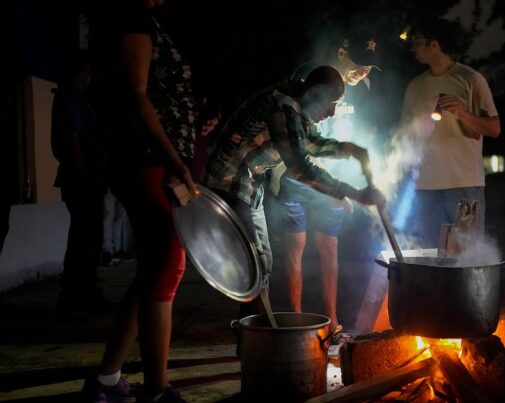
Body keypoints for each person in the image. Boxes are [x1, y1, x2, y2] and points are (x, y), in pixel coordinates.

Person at [81, 0, 198, 401]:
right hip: (144, 158)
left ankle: (106, 381)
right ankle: (157, 392)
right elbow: (135, 94)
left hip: (149, 158)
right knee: (167, 264)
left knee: (152, 271)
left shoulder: (137, 17)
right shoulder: (129, 15)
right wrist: (175, 160)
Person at [201, 65, 384, 321]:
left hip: (249, 186)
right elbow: (302, 167)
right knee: (256, 264)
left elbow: (312, 143)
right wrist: (353, 193)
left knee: (262, 264)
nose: (331, 113)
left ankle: (254, 331)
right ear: (314, 93)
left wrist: (351, 150)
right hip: (230, 183)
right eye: (331, 104)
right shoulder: (282, 105)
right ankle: (255, 332)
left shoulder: (296, 108)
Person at [269, 33, 381, 330]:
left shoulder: (364, 89)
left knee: (329, 246)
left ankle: (333, 323)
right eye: (359, 64)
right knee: (296, 244)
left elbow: (363, 130)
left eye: (368, 69)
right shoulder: (311, 76)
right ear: (343, 54)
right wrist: (338, 190)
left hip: (332, 177)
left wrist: (355, 164)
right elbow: (302, 145)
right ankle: (295, 319)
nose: (363, 73)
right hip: (299, 175)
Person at [401, 18, 501, 247]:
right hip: (425, 188)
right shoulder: (415, 87)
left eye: (417, 42)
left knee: (466, 256)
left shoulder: (471, 79)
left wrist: (463, 114)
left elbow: (494, 128)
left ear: (434, 45)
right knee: (430, 255)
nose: (413, 48)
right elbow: (405, 136)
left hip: (464, 185)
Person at [50, 49, 109, 313]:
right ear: (83, 72)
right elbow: (72, 141)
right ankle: (77, 294)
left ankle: (83, 290)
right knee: (85, 237)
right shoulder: (71, 99)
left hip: (83, 178)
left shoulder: (72, 98)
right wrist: (84, 176)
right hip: (82, 180)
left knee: (87, 236)